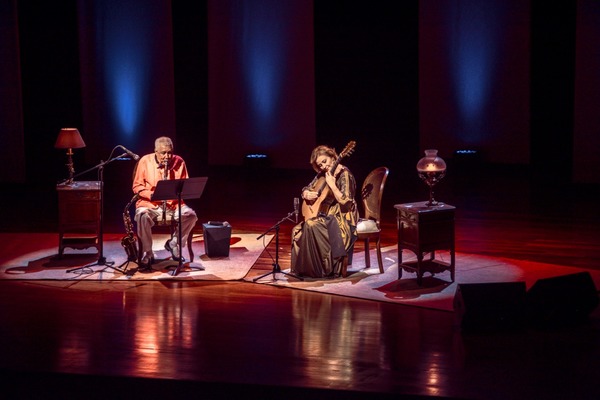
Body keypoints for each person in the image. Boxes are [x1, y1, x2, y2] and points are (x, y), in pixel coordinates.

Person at [291, 144, 358, 278]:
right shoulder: (322, 174)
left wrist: (332, 185)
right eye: (319, 165)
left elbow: (346, 204)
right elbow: (307, 187)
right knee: (297, 230)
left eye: (324, 161)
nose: (323, 166)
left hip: (341, 219)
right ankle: (306, 269)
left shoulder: (344, 174)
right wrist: (305, 193)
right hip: (325, 215)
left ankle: (320, 270)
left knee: (311, 225)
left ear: (333, 157)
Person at [132, 136, 198, 268]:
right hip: (150, 204)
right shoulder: (145, 161)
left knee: (191, 215)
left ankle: (174, 243)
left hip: (173, 204)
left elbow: (185, 185)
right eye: (163, 153)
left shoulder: (179, 161)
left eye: (170, 153)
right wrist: (152, 195)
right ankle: (148, 252)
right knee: (142, 216)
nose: (167, 156)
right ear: (155, 151)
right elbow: (137, 187)